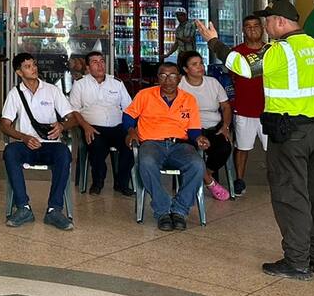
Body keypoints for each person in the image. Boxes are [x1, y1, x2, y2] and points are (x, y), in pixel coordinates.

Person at [199, 0, 314, 281]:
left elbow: (243, 66)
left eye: (268, 21)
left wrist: (214, 42)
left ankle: (296, 261)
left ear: (281, 22)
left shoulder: (281, 50)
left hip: (291, 133)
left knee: (290, 194)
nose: (265, 27)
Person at [124, 62, 209, 230]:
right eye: (163, 75)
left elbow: (193, 130)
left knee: (197, 165)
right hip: (151, 143)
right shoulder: (145, 95)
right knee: (146, 162)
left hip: (180, 145)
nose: (168, 80)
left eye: (172, 76)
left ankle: (179, 210)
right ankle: (163, 210)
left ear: (179, 78)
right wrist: (131, 131)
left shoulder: (189, 99)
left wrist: (199, 138)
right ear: (157, 78)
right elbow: (128, 116)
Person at [1, 52, 80, 230]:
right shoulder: (15, 94)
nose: (33, 69)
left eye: (34, 65)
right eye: (28, 67)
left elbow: (72, 118)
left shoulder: (52, 90)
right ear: (19, 72)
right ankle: (23, 207)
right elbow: (4, 125)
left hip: (50, 145)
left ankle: (54, 209)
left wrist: (62, 126)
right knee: (10, 152)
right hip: (26, 145)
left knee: (64, 154)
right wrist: (24, 137)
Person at [68, 50, 134, 196]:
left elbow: (129, 108)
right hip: (92, 127)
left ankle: (122, 183)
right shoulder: (80, 84)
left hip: (117, 127)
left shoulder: (117, 83)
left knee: (129, 147)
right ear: (87, 67)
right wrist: (85, 127)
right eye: (95, 62)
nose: (100, 65)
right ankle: (98, 182)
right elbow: (74, 110)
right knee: (97, 147)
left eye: (102, 61)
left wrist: (130, 130)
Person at [178, 50, 232, 201]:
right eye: (194, 64)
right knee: (188, 151)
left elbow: (226, 107)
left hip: (213, 127)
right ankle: (210, 182)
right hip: (188, 128)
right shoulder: (179, 85)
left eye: (201, 63)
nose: (200, 67)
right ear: (185, 69)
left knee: (224, 147)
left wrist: (225, 126)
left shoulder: (213, 83)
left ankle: (205, 175)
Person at [228, 14, 268, 194]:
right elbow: (231, 78)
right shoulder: (236, 53)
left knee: (273, 149)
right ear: (243, 30)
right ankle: (239, 180)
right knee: (242, 147)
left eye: (256, 25)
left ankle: (277, 181)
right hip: (243, 109)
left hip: (269, 110)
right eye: (248, 26)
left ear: (263, 28)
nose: (252, 29)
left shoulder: (271, 51)